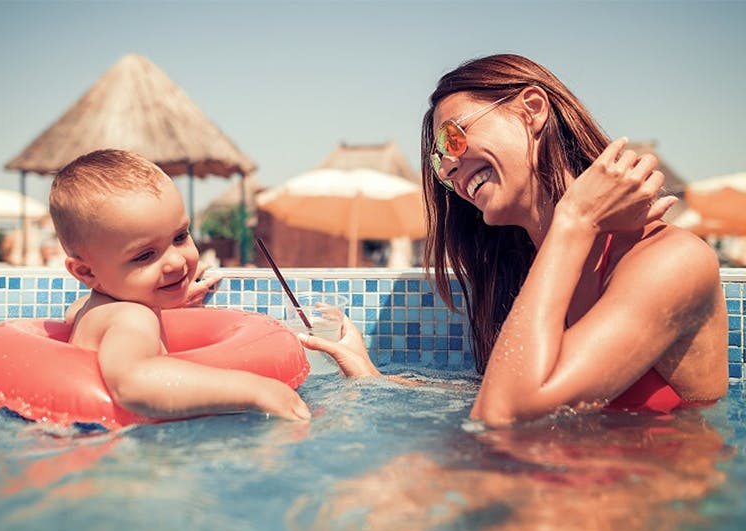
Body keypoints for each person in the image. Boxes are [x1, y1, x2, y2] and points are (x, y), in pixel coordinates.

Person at [299, 53, 728, 426]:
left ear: (532, 109)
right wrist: (374, 377)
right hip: (561, 487)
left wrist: (575, 219)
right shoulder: (535, 268)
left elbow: (505, 416)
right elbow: (498, 391)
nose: (448, 167)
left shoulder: (670, 261)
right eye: (438, 163)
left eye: (453, 136)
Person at [49, 149, 311, 421]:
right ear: (85, 272)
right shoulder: (133, 317)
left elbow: (74, 310)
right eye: (145, 255)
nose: (175, 262)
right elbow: (133, 383)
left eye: (180, 237)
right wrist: (254, 389)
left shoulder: (96, 309)